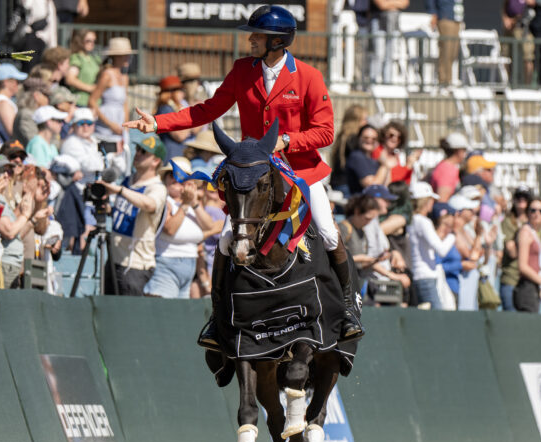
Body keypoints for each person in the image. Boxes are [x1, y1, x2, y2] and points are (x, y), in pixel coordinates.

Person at [125, 5, 363, 339]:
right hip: (254, 174)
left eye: (257, 36)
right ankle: (217, 319)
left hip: (300, 170)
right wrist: (158, 123)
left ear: (277, 41)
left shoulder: (309, 76)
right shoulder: (241, 70)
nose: (250, 40)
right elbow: (208, 109)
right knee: (226, 241)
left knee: (328, 233)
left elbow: (325, 133)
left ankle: (349, 309)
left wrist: (286, 141)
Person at [97, 133, 167, 296]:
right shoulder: (128, 180)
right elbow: (125, 212)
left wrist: (120, 190)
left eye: (144, 152)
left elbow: (149, 204)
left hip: (135, 265)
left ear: (155, 161)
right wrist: (108, 209)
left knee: (127, 310)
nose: (138, 154)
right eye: (138, 149)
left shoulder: (157, 187)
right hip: (114, 259)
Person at [145, 156, 215, 298]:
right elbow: (170, 229)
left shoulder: (193, 204)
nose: (176, 179)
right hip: (166, 265)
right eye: (172, 174)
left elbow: (209, 226)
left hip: (189, 266)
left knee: (179, 309)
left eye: (182, 176)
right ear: (165, 179)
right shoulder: (164, 200)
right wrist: (185, 204)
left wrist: (193, 203)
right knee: (166, 308)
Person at [408, 181, 455, 309]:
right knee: (436, 315)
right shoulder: (423, 221)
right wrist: (453, 234)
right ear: (426, 201)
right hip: (425, 277)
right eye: (431, 200)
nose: (432, 203)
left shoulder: (412, 220)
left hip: (421, 276)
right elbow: (442, 250)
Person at [90, 37, 134, 153]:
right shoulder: (107, 74)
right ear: (116, 56)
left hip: (119, 128)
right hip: (105, 128)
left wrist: (126, 126)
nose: (128, 58)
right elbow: (92, 101)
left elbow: (125, 104)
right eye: (124, 55)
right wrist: (110, 124)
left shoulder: (125, 77)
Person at [514, 197, 541, 312]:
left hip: (533, 286)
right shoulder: (525, 232)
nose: (537, 214)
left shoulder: (534, 232)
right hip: (526, 287)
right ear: (527, 213)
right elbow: (523, 266)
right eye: (533, 210)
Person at [339, 194, 383, 282]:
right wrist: (358, 258)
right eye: (367, 218)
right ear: (357, 212)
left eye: (372, 219)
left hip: (357, 278)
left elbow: (360, 265)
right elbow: (336, 256)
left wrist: (374, 260)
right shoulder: (344, 228)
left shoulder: (362, 231)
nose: (369, 222)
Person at [342, 124, 394, 197]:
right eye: (366, 138)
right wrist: (384, 166)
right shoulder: (357, 157)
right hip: (361, 202)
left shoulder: (374, 159)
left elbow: (386, 186)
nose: (369, 140)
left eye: (374, 139)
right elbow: (372, 186)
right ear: (359, 138)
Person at [0, 63, 28, 144]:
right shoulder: (3, 104)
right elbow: (13, 133)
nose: (18, 84)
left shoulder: (3, 101)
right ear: (6, 82)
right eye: (17, 81)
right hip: (9, 150)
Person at [329, 104, 368, 191]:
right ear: (356, 121)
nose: (366, 123)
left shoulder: (343, 136)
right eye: (364, 119)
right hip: (347, 185)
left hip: (338, 182)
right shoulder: (353, 139)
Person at [60, 107, 104, 179]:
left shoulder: (94, 139)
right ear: (73, 125)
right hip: (79, 184)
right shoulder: (71, 143)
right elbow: (90, 166)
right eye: (81, 123)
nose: (85, 127)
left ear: (94, 125)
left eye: (89, 123)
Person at [426, 0, 462, 88]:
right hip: (445, 17)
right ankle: (444, 82)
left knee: (453, 53)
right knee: (446, 51)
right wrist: (433, 14)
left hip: (456, 18)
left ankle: (448, 81)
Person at [373, 120, 420, 184]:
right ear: (384, 135)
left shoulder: (395, 156)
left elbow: (402, 181)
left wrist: (409, 165)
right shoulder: (378, 151)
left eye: (399, 137)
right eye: (391, 135)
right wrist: (408, 165)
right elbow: (394, 178)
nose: (395, 139)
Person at [155, 75, 190, 161]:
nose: (183, 93)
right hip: (171, 155)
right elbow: (180, 136)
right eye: (180, 90)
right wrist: (189, 119)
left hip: (175, 153)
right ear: (172, 92)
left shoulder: (171, 108)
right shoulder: (166, 109)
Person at [428, 132, 468, 201]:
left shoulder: (446, 166)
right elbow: (442, 200)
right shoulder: (447, 169)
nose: (465, 154)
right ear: (458, 151)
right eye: (464, 150)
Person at [12, 75, 52, 144]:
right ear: (37, 95)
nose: (48, 100)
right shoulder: (26, 115)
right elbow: (36, 142)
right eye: (46, 95)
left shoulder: (29, 113)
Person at [65, 29, 100, 107]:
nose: (92, 43)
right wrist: (90, 88)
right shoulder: (76, 58)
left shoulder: (94, 59)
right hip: (81, 102)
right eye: (88, 41)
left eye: (94, 41)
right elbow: (70, 79)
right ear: (80, 41)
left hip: (95, 102)